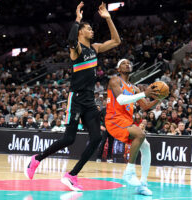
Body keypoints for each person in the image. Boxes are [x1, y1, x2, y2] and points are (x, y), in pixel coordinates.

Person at [25, 2, 121, 191]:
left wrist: (109, 18)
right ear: (80, 31)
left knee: (96, 137)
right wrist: (77, 19)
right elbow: (70, 40)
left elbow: (116, 41)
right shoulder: (76, 49)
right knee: (69, 139)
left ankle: (71, 175)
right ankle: (36, 159)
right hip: (76, 98)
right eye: (89, 28)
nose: (92, 30)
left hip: (89, 100)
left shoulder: (95, 48)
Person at [105, 58, 162, 196]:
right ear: (119, 69)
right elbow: (121, 99)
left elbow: (146, 106)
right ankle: (129, 171)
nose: (127, 64)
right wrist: (144, 94)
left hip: (126, 121)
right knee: (140, 134)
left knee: (146, 146)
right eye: (123, 63)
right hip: (114, 119)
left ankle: (142, 184)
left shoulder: (134, 88)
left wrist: (160, 97)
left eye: (129, 63)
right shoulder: (115, 80)